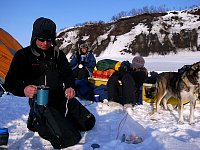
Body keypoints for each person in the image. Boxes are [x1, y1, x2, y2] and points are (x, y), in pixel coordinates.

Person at [4, 17, 95, 147]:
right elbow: (9, 83)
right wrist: (23, 89)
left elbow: (68, 74)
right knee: (70, 138)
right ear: (34, 37)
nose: (45, 44)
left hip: (59, 98)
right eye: (41, 39)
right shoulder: (22, 56)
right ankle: (36, 119)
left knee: (88, 122)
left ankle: (51, 120)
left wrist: (70, 87)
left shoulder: (58, 54)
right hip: (40, 101)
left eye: (49, 40)